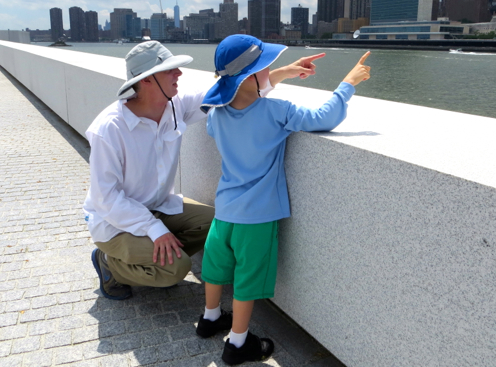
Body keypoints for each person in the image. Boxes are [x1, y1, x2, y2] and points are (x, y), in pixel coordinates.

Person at [84, 40, 325, 300]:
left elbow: (232, 90)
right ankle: (109, 262)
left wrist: (283, 72)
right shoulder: (109, 128)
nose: (179, 74)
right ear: (146, 80)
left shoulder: (175, 105)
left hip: (159, 207)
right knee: (174, 270)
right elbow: (105, 200)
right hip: (115, 224)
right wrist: (154, 229)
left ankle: (156, 251)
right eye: (170, 70)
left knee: (217, 224)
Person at [195, 34, 370, 365]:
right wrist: (348, 83)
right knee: (247, 280)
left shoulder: (215, 114)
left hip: (225, 212)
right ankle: (238, 343)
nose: (271, 71)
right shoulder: (277, 111)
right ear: (252, 77)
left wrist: (284, 72)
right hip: (256, 217)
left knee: (215, 267)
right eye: (267, 68)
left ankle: (210, 317)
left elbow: (241, 95)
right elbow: (324, 118)